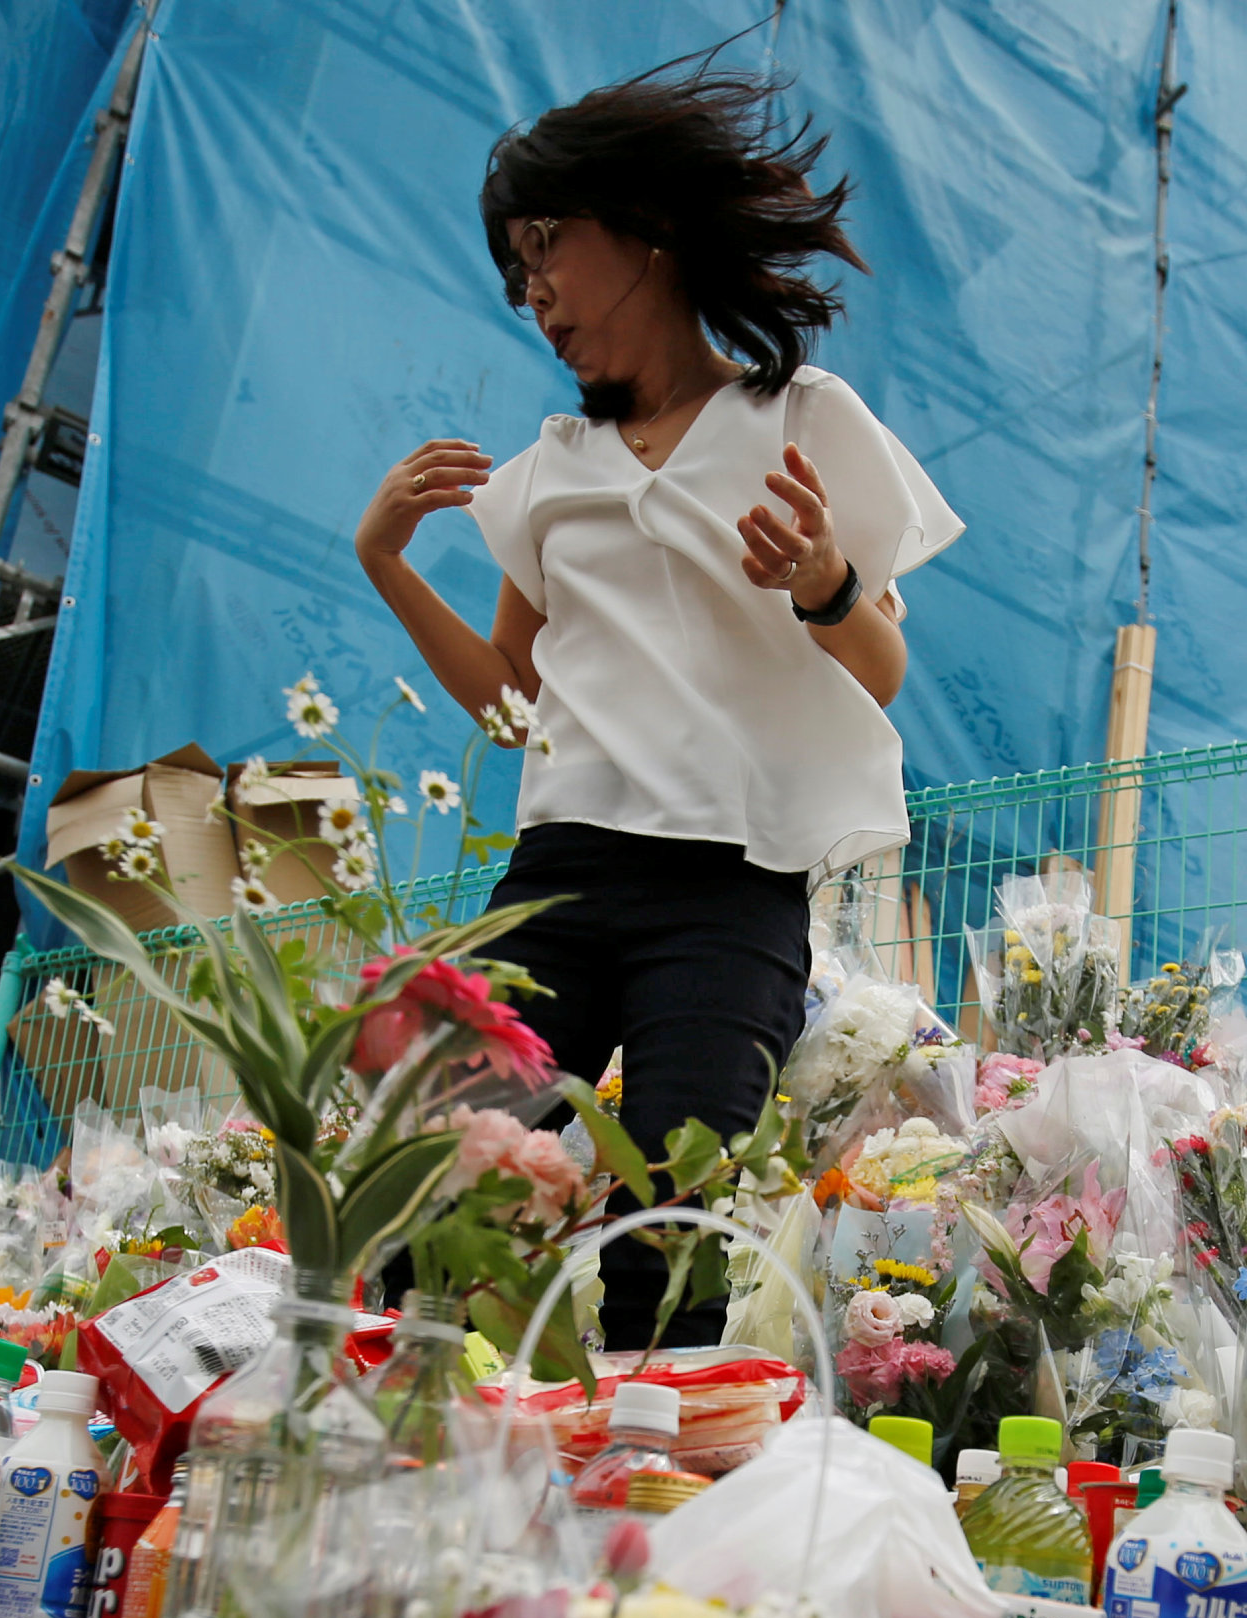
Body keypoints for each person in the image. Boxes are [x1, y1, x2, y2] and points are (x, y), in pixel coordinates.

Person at [353, 68, 960, 1349]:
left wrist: (823, 582)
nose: (534, 297)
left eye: (545, 250)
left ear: (645, 231)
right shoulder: (540, 479)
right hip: (555, 878)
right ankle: (408, 1456)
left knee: (672, 1234)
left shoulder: (798, 418)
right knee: (421, 1184)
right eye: (515, 274)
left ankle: (642, 1494)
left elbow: (884, 664)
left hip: (725, 889)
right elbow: (513, 699)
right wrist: (388, 566)